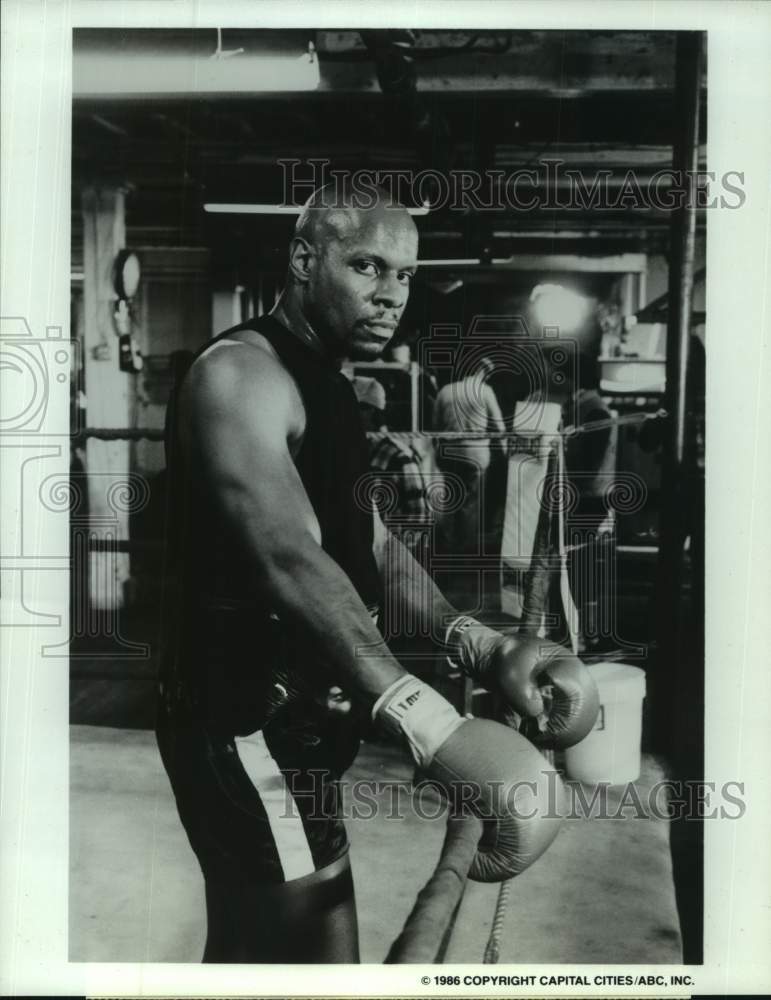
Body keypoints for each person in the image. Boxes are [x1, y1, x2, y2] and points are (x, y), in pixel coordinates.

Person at [157, 183, 598, 964]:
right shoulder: (240, 375)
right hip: (244, 721)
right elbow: (287, 558)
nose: (390, 294)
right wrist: (430, 722)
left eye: (404, 274)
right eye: (367, 266)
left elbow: (372, 546)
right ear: (302, 259)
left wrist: (477, 644)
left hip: (300, 721)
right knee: (316, 956)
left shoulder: (328, 382)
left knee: (253, 949)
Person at [432, 357, 507, 552]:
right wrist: (505, 451)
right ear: (483, 371)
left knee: (451, 498)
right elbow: (498, 427)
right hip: (475, 453)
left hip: (447, 452)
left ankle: (447, 546)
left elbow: (435, 426)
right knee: (471, 502)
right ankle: (465, 549)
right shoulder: (484, 391)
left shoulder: (445, 391)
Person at [351, 375, 430, 526]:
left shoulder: (400, 457)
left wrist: (395, 547)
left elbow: (419, 517)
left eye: (353, 409)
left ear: (371, 411)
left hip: (389, 545)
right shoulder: (353, 452)